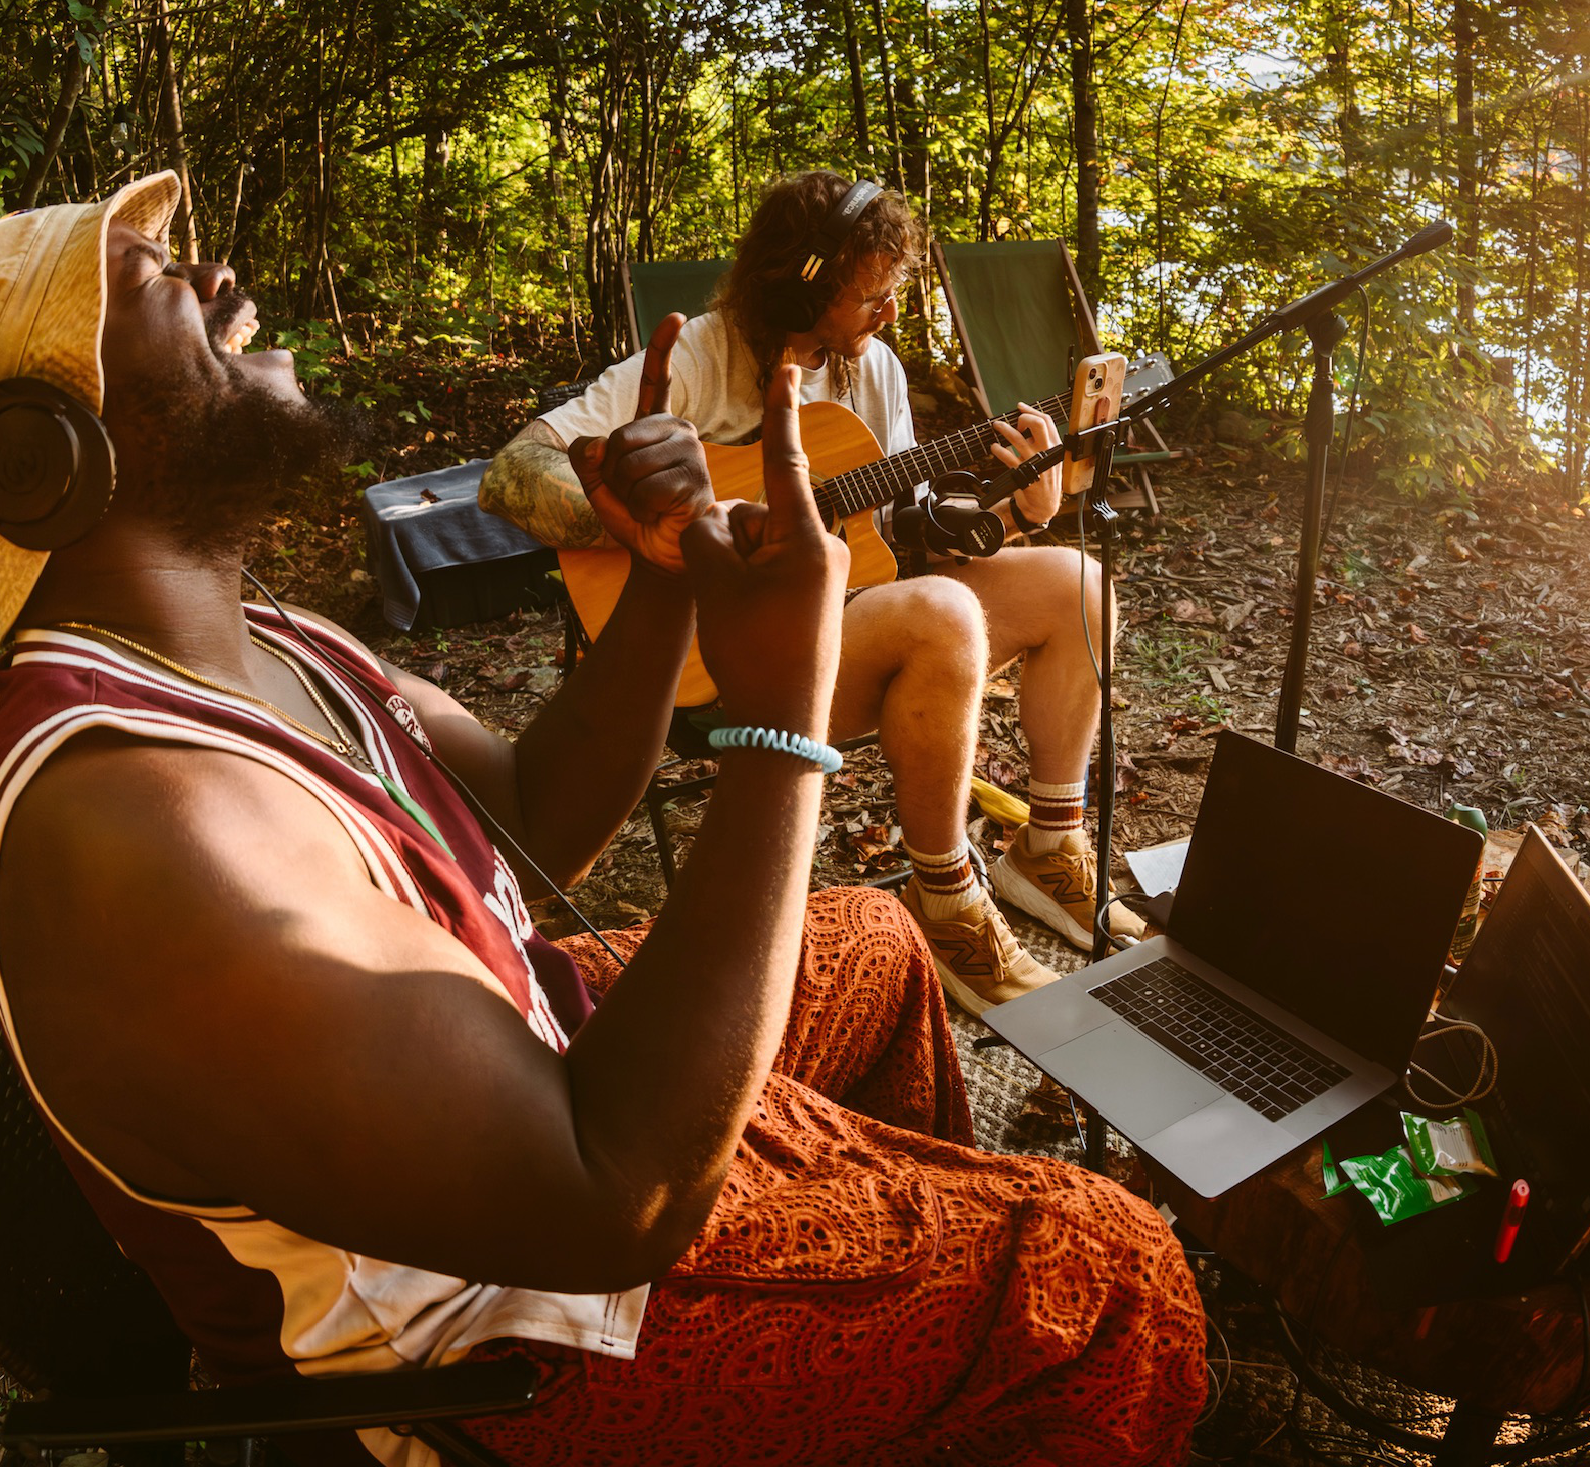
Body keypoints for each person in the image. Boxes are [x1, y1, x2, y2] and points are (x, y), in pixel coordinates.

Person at [0, 172, 1204, 1466]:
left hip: (523, 1078)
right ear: (45, 452)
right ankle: (968, 1330)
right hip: (502, 1351)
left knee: (873, 944)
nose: (219, 277)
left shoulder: (267, 636)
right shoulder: (133, 822)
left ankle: (919, 1378)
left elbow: (533, 815)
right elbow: (604, 1199)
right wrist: (783, 724)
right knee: (1108, 1271)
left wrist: (673, 573)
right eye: (158, 278)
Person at [479, 171, 1139, 1015]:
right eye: (873, 298)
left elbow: (897, 532)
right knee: (940, 613)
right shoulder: (698, 357)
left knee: (1076, 583)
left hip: (844, 624)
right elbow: (511, 474)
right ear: (804, 284)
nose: (890, 315)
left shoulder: (873, 372)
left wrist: (1015, 509)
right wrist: (671, 530)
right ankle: (944, 900)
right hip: (715, 664)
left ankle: (1048, 843)